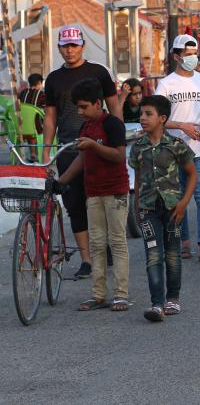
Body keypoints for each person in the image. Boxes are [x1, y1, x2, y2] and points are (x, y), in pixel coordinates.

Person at [43, 26, 121, 278]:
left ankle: (105, 245)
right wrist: (46, 152)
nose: (70, 50)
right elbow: (51, 116)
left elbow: (114, 107)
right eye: (65, 46)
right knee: (74, 204)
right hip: (68, 147)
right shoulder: (53, 79)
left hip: (100, 146)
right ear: (58, 48)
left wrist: (117, 137)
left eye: (74, 45)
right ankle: (87, 259)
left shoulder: (99, 72)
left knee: (100, 200)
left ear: (82, 46)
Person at [56, 78, 130, 312]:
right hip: (93, 193)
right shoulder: (85, 127)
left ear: (98, 104)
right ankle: (98, 295)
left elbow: (119, 156)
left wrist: (94, 146)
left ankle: (121, 295)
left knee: (117, 242)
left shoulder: (113, 125)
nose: (80, 111)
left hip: (115, 192)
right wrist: (61, 181)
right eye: (78, 107)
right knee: (97, 243)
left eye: (84, 106)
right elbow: (81, 159)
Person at [130, 95, 197, 322]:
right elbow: (138, 181)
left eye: (148, 114)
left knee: (172, 254)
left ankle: (173, 299)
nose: (143, 118)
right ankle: (156, 304)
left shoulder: (177, 146)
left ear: (163, 118)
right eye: (141, 114)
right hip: (148, 210)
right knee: (153, 255)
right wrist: (137, 208)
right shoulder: (138, 147)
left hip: (173, 210)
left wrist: (184, 203)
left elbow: (192, 174)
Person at [155, 34, 200, 263]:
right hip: (174, 148)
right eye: (188, 54)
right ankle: (184, 242)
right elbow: (157, 118)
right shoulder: (166, 84)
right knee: (178, 196)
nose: (192, 58)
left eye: (195, 54)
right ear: (176, 56)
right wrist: (181, 125)